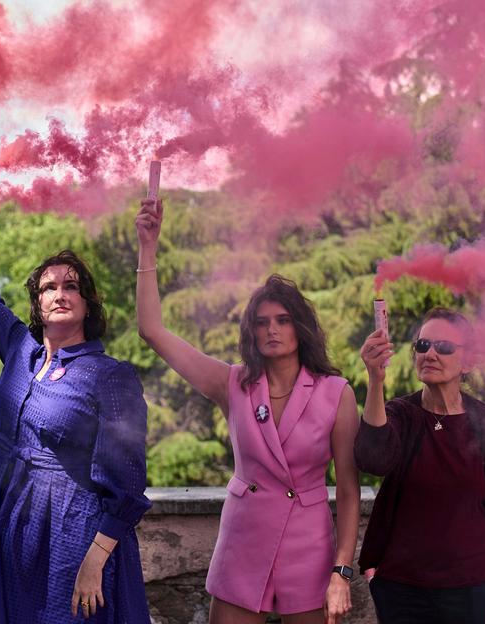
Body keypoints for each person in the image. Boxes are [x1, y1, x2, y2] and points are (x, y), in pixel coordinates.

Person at [135, 198, 361, 624]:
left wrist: (341, 571)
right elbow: (152, 331)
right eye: (261, 322)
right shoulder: (233, 383)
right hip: (244, 543)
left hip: (308, 548)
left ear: (301, 327)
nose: (271, 329)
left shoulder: (337, 393)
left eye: (282, 320)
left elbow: (349, 491)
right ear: (250, 331)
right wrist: (148, 245)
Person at [0, 225, 150, 623]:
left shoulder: (110, 376)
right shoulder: (22, 352)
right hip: (19, 535)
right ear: (37, 303)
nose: (60, 294)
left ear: (88, 302)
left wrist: (94, 562)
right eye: (49, 288)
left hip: (76, 540)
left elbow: (129, 483)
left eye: (71, 286)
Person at [355, 307, 485, 624]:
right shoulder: (401, 414)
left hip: (471, 591)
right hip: (401, 590)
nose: (430, 354)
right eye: (423, 346)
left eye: (444, 347)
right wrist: (375, 380)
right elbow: (373, 459)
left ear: (468, 362)